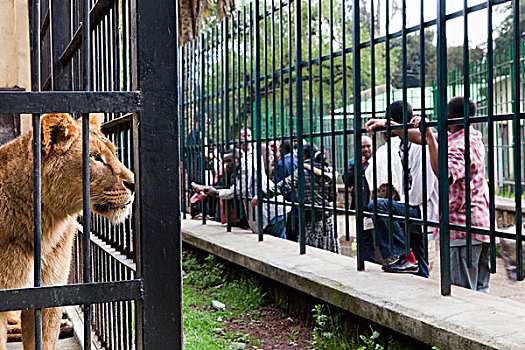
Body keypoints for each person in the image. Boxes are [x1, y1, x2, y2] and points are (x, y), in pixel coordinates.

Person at [412, 96, 492, 292]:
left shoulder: (461, 144)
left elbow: (444, 174)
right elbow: (420, 137)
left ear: (451, 116)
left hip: (462, 228)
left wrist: (430, 138)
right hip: (479, 224)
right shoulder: (465, 135)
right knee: (480, 292)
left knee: (463, 293)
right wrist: (389, 125)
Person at [364, 101, 439, 277]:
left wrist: (405, 207)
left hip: (420, 207)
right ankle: (414, 267)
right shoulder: (403, 145)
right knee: (420, 258)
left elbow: (423, 186)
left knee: (379, 206)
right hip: (412, 204)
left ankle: (404, 255)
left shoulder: (420, 146)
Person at [256, 144, 340, 253]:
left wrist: (262, 195)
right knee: (328, 249)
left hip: (310, 218)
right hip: (326, 216)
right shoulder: (328, 171)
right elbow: (333, 196)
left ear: (304, 156)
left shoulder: (302, 172)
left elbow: (283, 186)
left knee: (312, 251)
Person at [193, 148, 289, 239]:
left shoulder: (247, 168)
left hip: (273, 212)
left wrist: (215, 192)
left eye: (229, 161)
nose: (226, 165)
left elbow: (239, 190)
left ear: (238, 159)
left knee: (275, 241)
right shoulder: (238, 170)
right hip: (268, 212)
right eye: (225, 161)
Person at [275, 139, 299, 242]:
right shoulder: (297, 159)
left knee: (289, 233)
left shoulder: (282, 163)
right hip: (299, 199)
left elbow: (279, 185)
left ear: (281, 149)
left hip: (288, 201)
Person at [342, 136, 373, 210]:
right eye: (363, 147)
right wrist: (356, 166)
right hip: (359, 203)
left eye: (368, 146)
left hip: (372, 202)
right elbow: (347, 181)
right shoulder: (353, 162)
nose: (366, 149)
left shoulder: (377, 160)